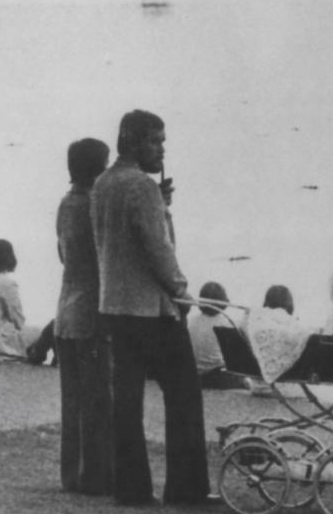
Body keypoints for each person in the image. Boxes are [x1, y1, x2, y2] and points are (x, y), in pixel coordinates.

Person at [91, 109, 215, 506]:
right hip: (151, 310)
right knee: (183, 394)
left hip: (115, 304)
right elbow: (158, 250)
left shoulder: (102, 183)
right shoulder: (141, 186)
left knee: (126, 401)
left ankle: (131, 488)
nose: (161, 149)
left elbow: (119, 239)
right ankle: (186, 488)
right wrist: (182, 291)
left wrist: (160, 206)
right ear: (132, 141)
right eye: (154, 141)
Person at [54, 137, 112, 495]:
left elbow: (64, 255)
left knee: (73, 400)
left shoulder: (66, 203)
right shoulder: (94, 205)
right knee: (97, 399)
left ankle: (73, 474)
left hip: (66, 307)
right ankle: (96, 475)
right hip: (92, 310)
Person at [188, 281, 247, 390]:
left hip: (195, 376)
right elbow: (236, 357)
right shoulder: (225, 323)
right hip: (218, 377)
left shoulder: (191, 322)